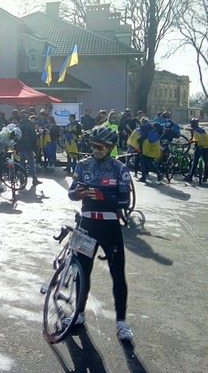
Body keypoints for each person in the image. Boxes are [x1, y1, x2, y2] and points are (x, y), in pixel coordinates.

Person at [67, 126, 134, 341]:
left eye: (100, 147)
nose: (95, 150)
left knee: (117, 274)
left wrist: (102, 195)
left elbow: (125, 201)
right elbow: (71, 193)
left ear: (111, 148)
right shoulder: (82, 164)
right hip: (86, 224)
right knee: (81, 272)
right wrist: (77, 193)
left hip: (110, 226)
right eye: (93, 146)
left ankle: (121, 322)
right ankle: (79, 313)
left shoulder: (119, 168)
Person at [17, 112, 41, 187]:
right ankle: (34, 179)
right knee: (31, 163)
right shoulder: (29, 125)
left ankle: (21, 178)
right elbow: (33, 136)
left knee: (21, 163)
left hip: (20, 146)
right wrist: (38, 134)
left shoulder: (19, 125)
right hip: (28, 146)